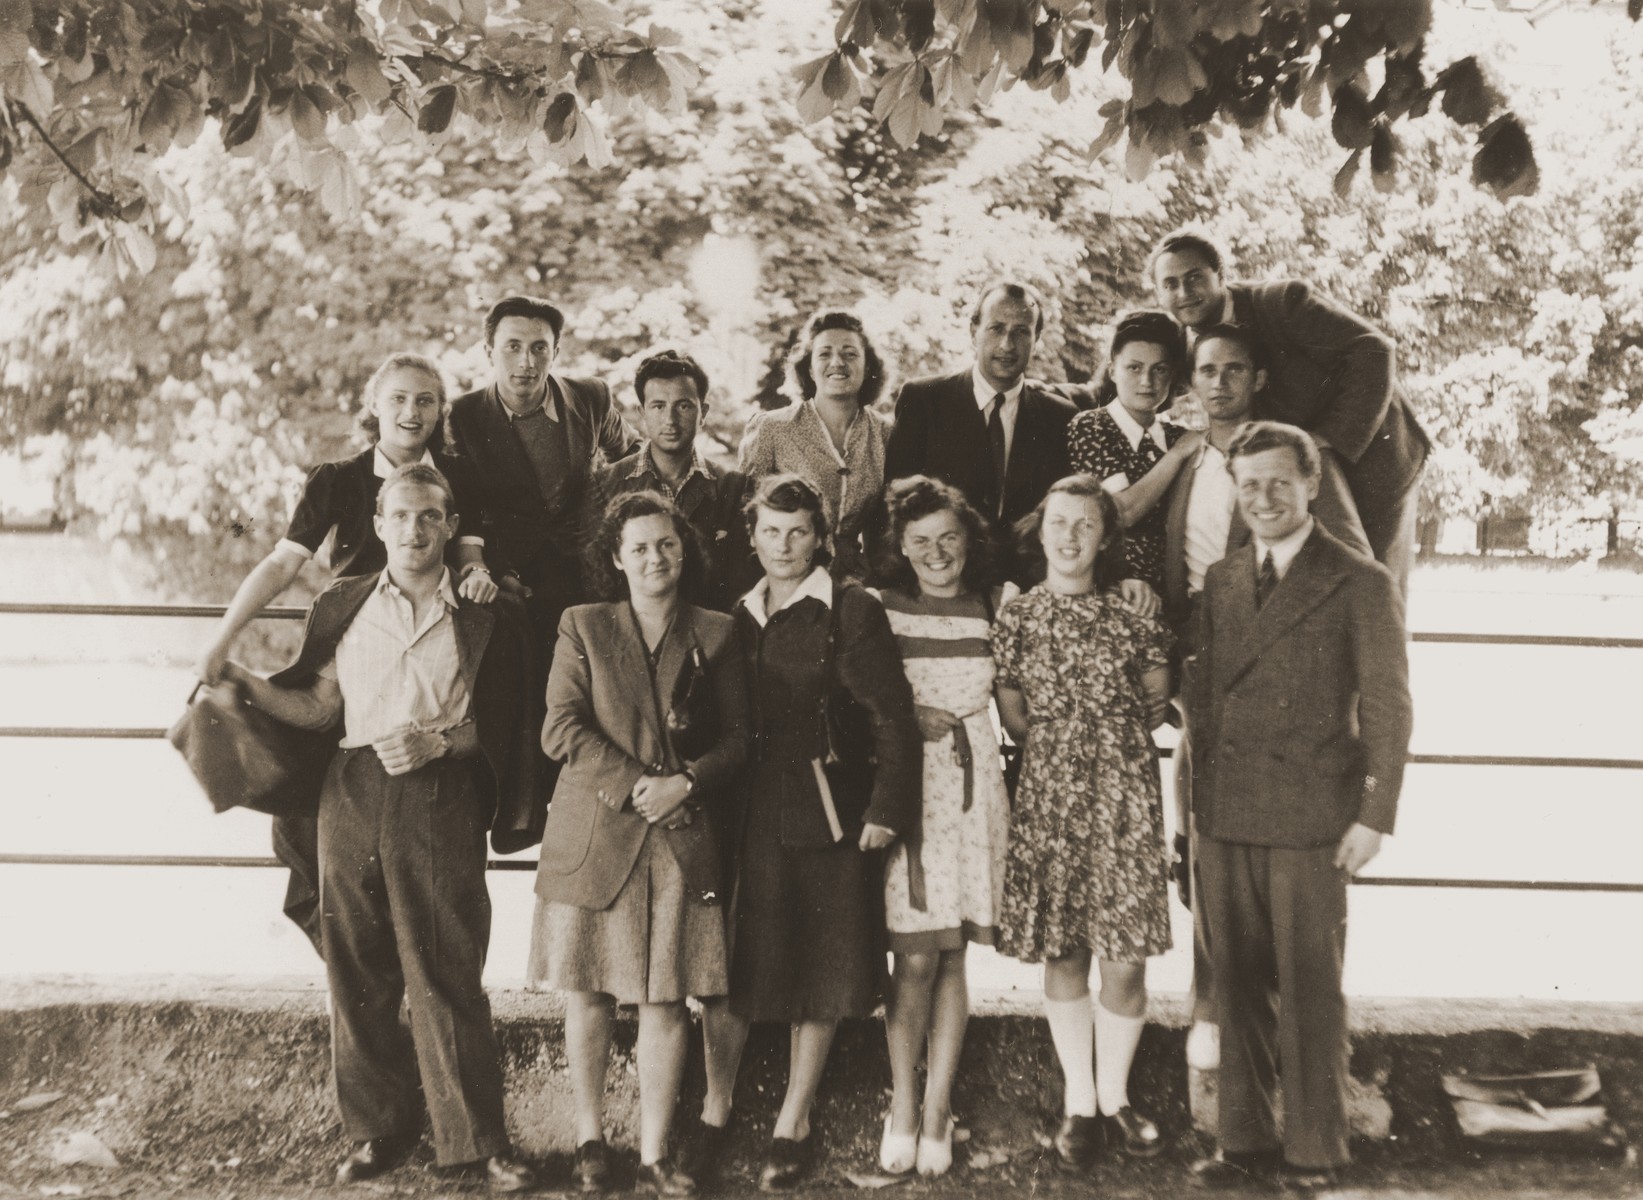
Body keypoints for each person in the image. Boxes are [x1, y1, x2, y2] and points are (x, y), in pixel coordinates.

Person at [205, 463, 540, 1192]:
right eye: (400, 516)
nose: (414, 530)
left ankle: (479, 1141)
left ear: (451, 527)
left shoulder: (482, 610)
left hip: (440, 790)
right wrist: (247, 688)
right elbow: (323, 709)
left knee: (448, 963)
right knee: (355, 964)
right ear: (379, 524)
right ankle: (377, 1131)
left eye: (429, 517)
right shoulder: (345, 602)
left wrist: (440, 743)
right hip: (352, 788)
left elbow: (509, 725)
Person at [192, 351, 500, 951]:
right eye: (399, 399)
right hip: (355, 657)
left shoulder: (462, 478)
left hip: (433, 651)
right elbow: (284, 562)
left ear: (440, 411)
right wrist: (222, 635)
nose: (412, 412)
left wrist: (480, 571)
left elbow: (470, 556)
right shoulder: (338, 478)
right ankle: (351, 972)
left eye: (426, 400)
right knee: (315, 829)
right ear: (374, 406)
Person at [1133, 324, 1370, 1074]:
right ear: (1189, 380)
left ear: (1255, 379)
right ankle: (1211, 1014)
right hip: (1204, 662)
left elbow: (1350, 578)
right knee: (1203, 848)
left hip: (1284, 687)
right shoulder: (1184, 458)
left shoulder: (1294, 465)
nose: (1219, 382)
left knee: (1292, 901)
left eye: (1235, 369)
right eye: (1205, 370)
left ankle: (1303, 1087)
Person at [1186, 422, 1412, 1191]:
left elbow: (1388, 708)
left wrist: (1372, 815)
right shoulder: (1222, 579)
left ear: (1311, 484)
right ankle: (1241, 1141)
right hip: (1224, 813)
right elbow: (1202, 700)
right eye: (1248, 485)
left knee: (1309, 988)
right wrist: (1196, 810)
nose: (1263, 499)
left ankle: (1315, 1150)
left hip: (1311, 819)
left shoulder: (1358, 580)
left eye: (1279, 482)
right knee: (1235, 980)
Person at [689, 473, 920, 1192]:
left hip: (826, 807)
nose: (783, 546)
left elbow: (891, 717)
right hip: (746, 808)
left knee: (820, 960)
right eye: (769, 532)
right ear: (751, 537)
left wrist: (885, 807)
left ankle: (794, 1118)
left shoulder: (849, 609)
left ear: (819, 537)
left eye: (797, 532)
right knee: (728, 959)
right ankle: (714, 1109)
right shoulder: (738, 612)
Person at [529, 490, 749, 1197]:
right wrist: (635, 784)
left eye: (667, 544)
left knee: (663, 1000)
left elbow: (742, 741)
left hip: (680, 836)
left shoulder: (717, 631)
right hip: (598, 832)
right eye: (640, 547)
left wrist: (685, 783)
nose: (655, 557)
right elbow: (559, 727)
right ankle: (590, 1141)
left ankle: (654, 1151)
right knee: (588, 993)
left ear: (684, 551)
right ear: (616, 559)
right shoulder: (583, 626)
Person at [991, 476, 1173, 1172]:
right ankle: (1079, 1103)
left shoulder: (1134, 615)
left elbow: (1156, 702)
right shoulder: (1017, 618)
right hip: (1052, 800)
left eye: (1085, 526)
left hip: (1123, 800)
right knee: (1064, 952)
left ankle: (1116, 1096)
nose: (1069, 538)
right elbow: (1014, 714)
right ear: (1040, 532)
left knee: (1124, 961)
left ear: (1105, 537)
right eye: (1058, 523)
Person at [1149, 228, 1429, 594]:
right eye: (1170, 284)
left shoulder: (1281, 303)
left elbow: (1374, 350)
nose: (1184, 294)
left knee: (1373, 582)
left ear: (1221, 276)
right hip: (1300, 467)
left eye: (1194, 279)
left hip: (1372, 459)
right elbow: (1135, 385)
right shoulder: (1189, 345)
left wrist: (1328, 439)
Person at [869, 476, 1012, 1179]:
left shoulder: (994, 605)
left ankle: (937, 1110)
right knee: (915, 956)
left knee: (953, 955)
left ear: (968, 538)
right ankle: (901, 1102)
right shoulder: (880, 610)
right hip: (910, 793)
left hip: (973, 792)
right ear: (900, 547)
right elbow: (858, 701)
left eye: (948, 537)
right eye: (920, 541)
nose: (936, 552)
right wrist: (902, 717)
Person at [448, 295, 637, 654]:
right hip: (509, 585)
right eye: (513, 347)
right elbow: (459, 510)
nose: (527, 362)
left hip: (588, 575)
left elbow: (633, 455)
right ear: (489, 352)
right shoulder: (460, 417)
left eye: (539, 348)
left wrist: (615, 518)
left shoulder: (590, 397)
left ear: (557, 352)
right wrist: (494, 573)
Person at [883, 281, 1080, 547]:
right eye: (996, 328)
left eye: (1021, 332)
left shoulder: (1061, 417)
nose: (1007, 344)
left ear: (1037, 340)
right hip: (941, 577)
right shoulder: (924, 400)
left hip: (1026, 581)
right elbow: (891, 505)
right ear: (973, 330)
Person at [583, 350, 754, 612]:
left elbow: (738, 582)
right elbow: (595, 580)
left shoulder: (732, 486)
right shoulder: (605, 484)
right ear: (642, 412)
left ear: (703, 412)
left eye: (683, 406)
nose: (670, 420)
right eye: (658, 406)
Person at [738, 311, 893, 582]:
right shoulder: (771, 428)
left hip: (855, 581)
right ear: (809, 368)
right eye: (824, 354)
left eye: (850, 354)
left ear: (868, 366)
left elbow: (886, 525)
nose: (837, 362)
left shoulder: (885, 434)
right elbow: (744, 515)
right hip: (784, 577)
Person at [1066, 310, 1191, 594]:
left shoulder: (1177, 436)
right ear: (1113, 371)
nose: (1147, 381)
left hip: (1176, 591)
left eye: (1159, 369)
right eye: (1134, 368)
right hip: (1115, 589)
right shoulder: (1092, 425)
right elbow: (1120, 513)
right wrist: (1176, 456)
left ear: (1172, 373)